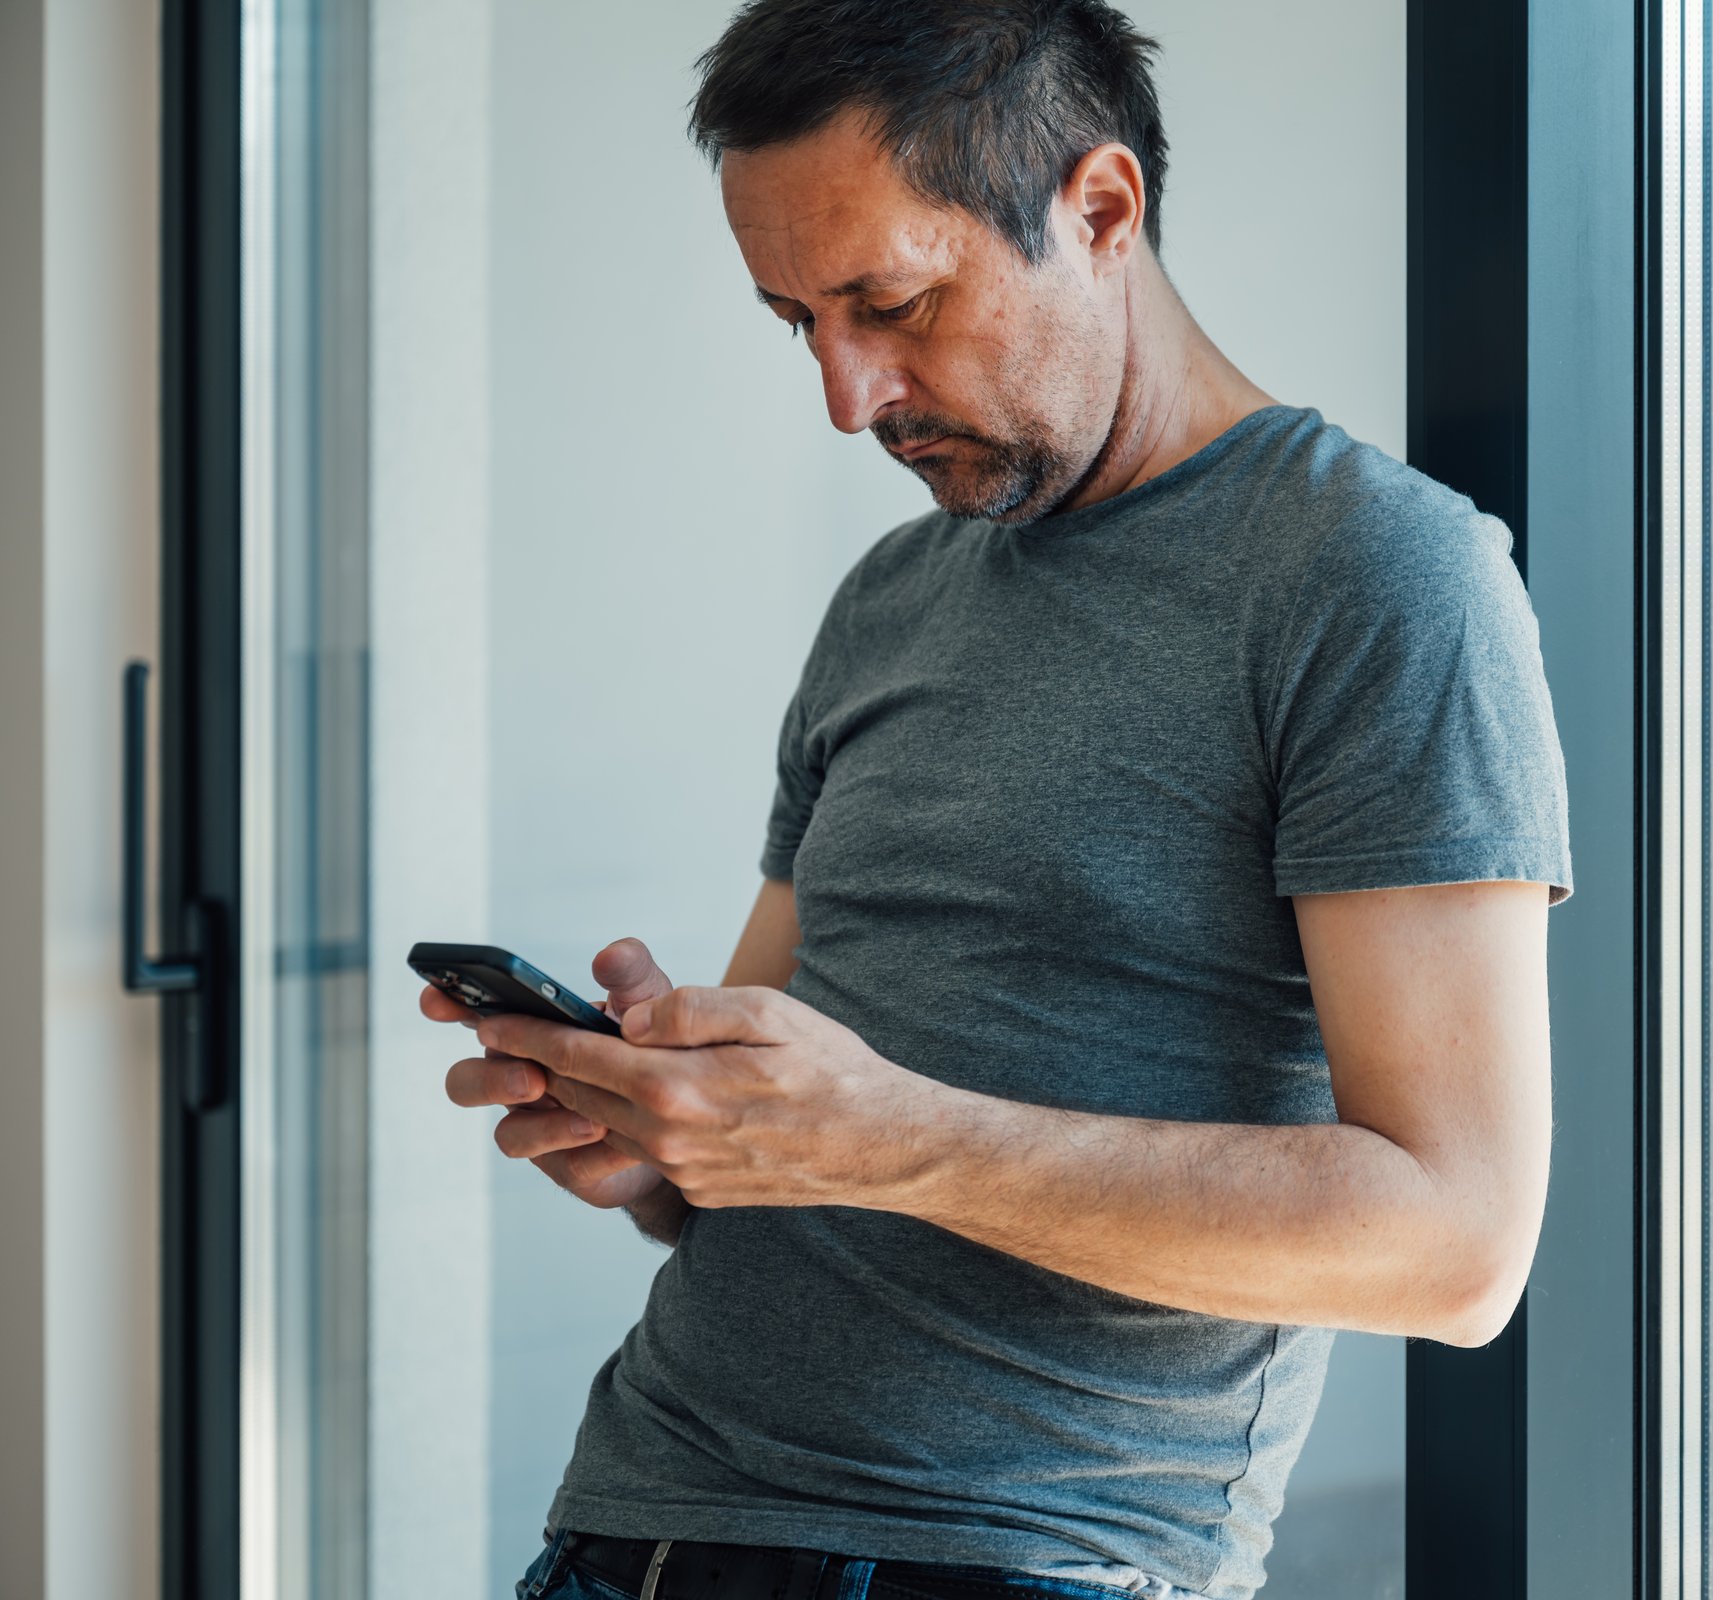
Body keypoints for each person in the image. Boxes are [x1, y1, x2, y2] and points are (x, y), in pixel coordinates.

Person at [426, 5, 1572, 1599]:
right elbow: (773, 1152)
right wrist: (660, 1134)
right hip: (629, 1530)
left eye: (892, 305)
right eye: (798, 323)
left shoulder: (1378, 579)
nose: (849, 396)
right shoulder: (892, 596)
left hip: (1026, 1563)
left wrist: (885, 1137)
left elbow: (1456, 1247)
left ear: (1100, 208)